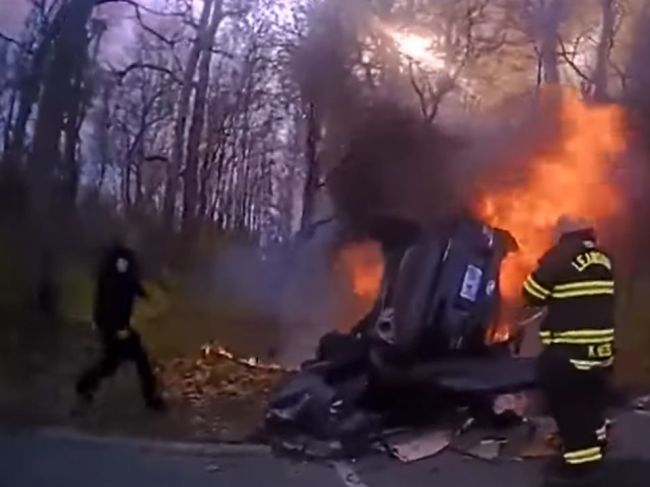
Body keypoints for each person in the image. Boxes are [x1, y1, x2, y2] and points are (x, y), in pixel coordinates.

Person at [521, 216, 615, 483]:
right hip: (601, 352)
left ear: (563, 235)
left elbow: (531, 294)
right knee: (592, 402)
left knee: (568, 406)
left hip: (571, 353)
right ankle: (598, 442)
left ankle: (580, 465)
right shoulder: (604, 257)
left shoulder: (560, 256)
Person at [75, 241, 164, 412]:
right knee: (139, 360)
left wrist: (144, 294)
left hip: (116, 326)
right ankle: (151, 400)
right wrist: (117, 329)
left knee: (111, 363)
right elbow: (109, 300)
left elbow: (130, 284)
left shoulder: (121, 268)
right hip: (114, 327)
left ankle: (84, 385)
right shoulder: (113, 272)